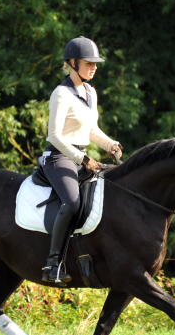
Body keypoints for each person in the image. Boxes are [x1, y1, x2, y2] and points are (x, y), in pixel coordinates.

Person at [41, 36, 123, 284]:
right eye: (89, 63)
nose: (95, 67)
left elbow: (91, 129)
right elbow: (53, 136)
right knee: (74, 203)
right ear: (73, 63)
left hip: (81, 157)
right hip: (59, 158)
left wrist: (110, 144)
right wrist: (83, 158)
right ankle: (53, 265)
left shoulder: (90, 91)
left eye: (96, 63)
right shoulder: (61, 94)